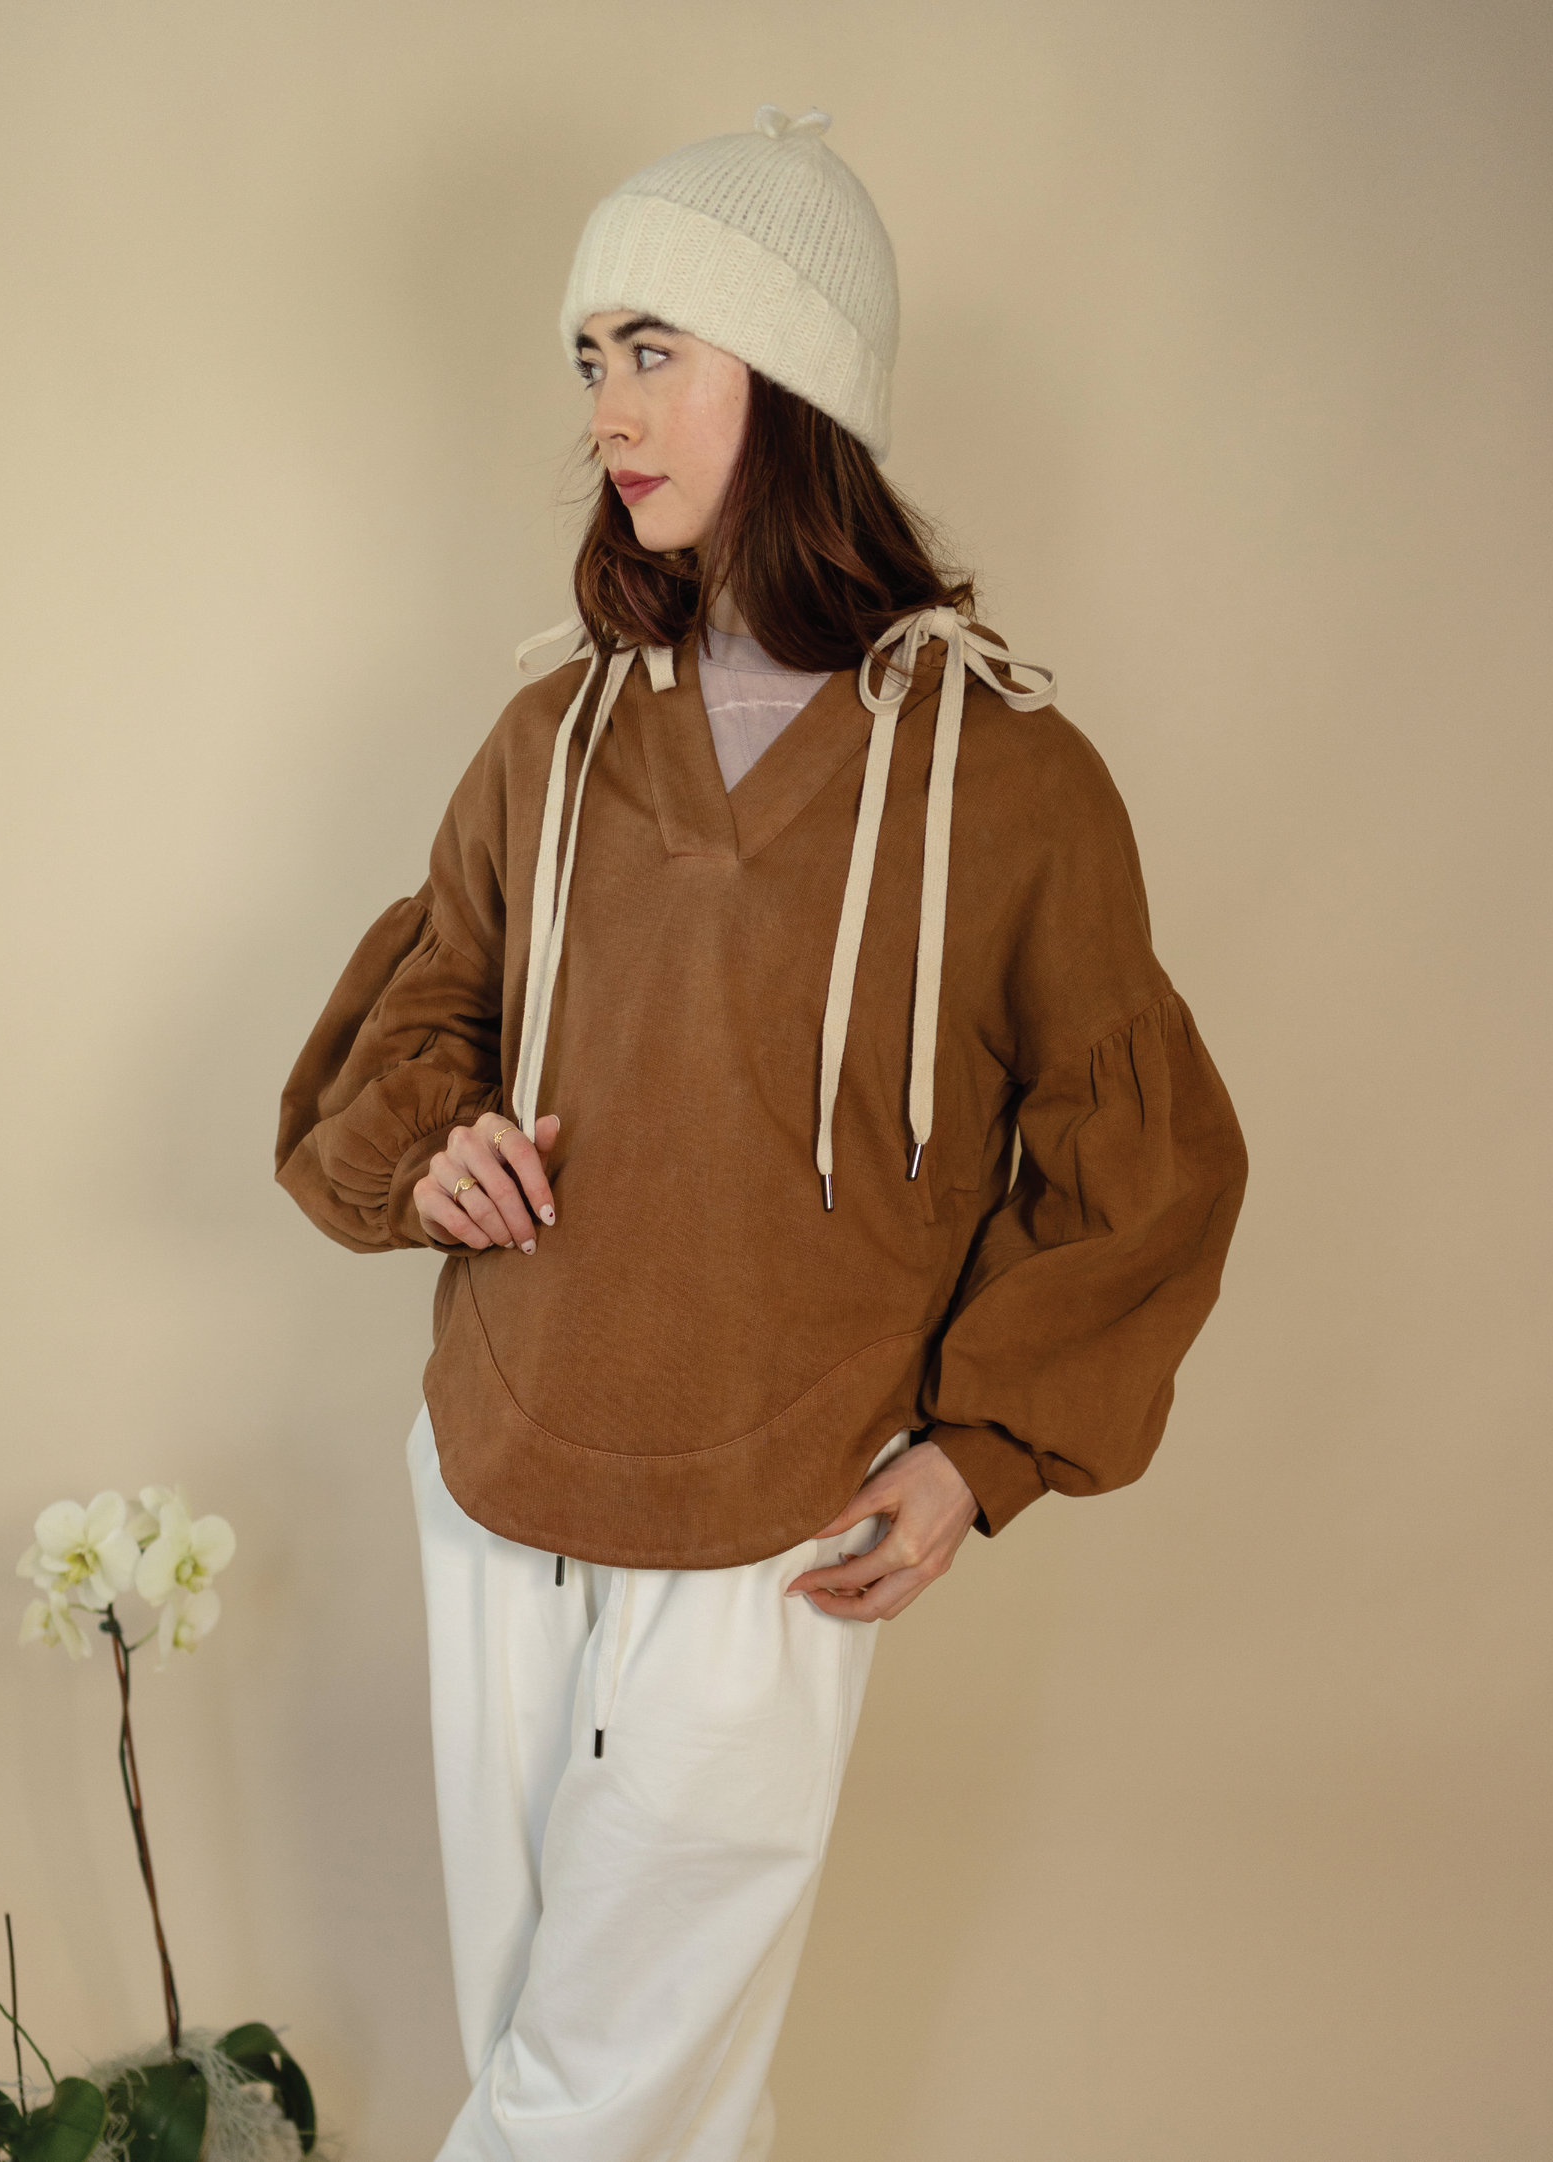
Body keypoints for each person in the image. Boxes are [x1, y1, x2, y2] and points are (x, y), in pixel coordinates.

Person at [275, 104, 1247, 2162]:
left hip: (783, 1498)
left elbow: (1137, 1159)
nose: (605, 411)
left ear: (796, 376)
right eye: (589, 357)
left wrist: (980, 1452)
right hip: (503, 1452)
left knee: (596, 2079)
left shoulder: (1010, 777)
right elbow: (422, 1010)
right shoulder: (554, 735)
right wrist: (430, 1145)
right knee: (597, 2062)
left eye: (656, 349)